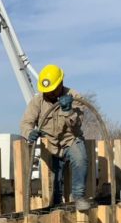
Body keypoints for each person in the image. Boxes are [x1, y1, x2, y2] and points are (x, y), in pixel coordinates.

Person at [20, 64, 89, 211]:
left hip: (70, 140)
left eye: (51, 91)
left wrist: (68, 111)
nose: (48, 94)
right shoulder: (38, 101)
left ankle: (79, 197)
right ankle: (55, 205)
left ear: (60, 84)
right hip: (49, 143)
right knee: (54, 179)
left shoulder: (75, 97)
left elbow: (76, 126)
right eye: (46, 91)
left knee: (80, 159)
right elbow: (26, 122)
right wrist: (29, 132)